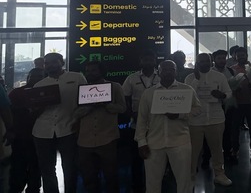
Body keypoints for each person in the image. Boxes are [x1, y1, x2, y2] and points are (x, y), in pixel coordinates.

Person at [135, 60, 200, 193]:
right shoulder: (149, 93)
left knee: (184, 181)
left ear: (176, 72)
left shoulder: (186, 90)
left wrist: (180, 115)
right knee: (152, 182)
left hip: (180, 142)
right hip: (154, 142)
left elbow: (197, 109)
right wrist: (141, 142)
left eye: (172, 69)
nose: (168, 72)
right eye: (164, 70)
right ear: (158, 72)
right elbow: (141, 120)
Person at [32, 53, 86, 193]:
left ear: (61, 62)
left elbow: (85, 102)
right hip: (42, 131)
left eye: (53, 62)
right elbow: (34, 112)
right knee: (47, 169)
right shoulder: (40, 85)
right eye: (47, 63)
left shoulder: (77, 78)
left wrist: (79, 122)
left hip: (69, 128)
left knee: (70, 167)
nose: (50, 65)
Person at [74, 61, 126, 193]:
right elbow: (75, 113)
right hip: (85, 140)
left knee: (111, 176)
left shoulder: (115, 87)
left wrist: (106, 105)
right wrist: (90, 107)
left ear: (101, 71)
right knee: (88, 177)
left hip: (108, 138)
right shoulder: (81, 89)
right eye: (87, 71)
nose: (90, 73)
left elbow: (122, 108)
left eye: (93, 70)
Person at [185, 53, 233, 187]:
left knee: (217, 149)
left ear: (211, 62)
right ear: (197, 63)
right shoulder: (189, 78)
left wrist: (223, 95)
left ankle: (219, 174)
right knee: (193, 151)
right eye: (202, 61)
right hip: (195, 121)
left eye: (207, 61)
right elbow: (187, 97)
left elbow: (229, 93)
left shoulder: (219, 76)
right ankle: (190, 177)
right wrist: (197, 79)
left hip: (215, 119)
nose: (205, 63)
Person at [122, 49, 160, 193]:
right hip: (137, 122)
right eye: (145, 60)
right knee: (137, 156)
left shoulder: (161, 77)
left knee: (157, 155)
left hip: (158, 122)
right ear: (140, 61)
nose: (148, 62)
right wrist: (131, 113)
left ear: (155, 61)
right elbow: (125, 98)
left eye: (151, 59)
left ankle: (157, 182)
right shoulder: (132, 78)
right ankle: (137, 185)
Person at [8, 68, 44, 193]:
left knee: (36, 166)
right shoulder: (16, 92)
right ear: (28, 77)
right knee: (18, 166)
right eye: (33, 76)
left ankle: (33, 189)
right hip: (20, 136)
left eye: (39, 76)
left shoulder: (47, 93)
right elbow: (9, 111)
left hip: (41, 136)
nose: (36, 79)